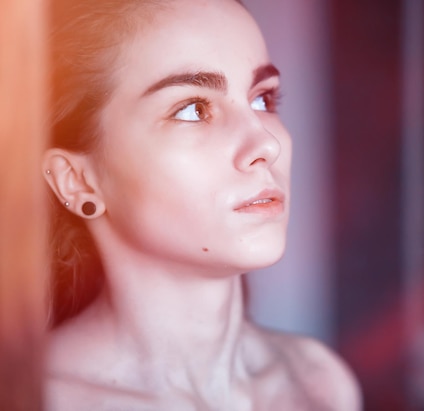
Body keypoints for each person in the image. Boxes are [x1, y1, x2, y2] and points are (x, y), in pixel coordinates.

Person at [42, 0, 361, 409]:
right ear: (79, 181)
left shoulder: (317, 383)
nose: (266, 144)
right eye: (193, 109)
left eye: (263, 99)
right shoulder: (35, 399)